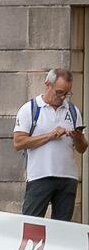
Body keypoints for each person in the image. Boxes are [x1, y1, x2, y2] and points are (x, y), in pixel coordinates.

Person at [14, 67, 86, 219]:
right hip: (40, 175)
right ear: (48, 84)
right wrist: (50, 135)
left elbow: (82, 148)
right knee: (31, 222)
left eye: (66, 93)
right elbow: (18, 142)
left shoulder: (73, 111)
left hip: (67, 177)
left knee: (62, 227)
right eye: (59, 92)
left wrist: (77, 137)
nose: (62, 97)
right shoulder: (30, 109)